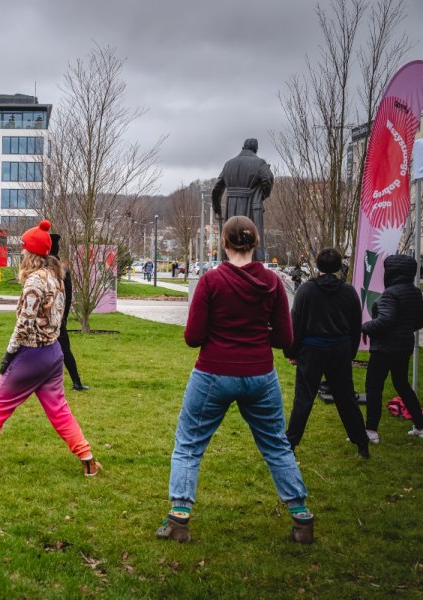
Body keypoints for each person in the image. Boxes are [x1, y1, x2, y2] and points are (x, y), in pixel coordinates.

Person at [156, 216, 313, 544]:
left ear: (223, 244)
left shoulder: (211, 282)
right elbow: (285, 337)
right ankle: (301, 518)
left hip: (213, 372)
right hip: (260, 375)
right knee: (276, 445)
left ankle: (179, 518)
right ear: (255, 243)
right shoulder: (271, 282)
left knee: (189, 443)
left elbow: (193, 336)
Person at [0, 220, 100, 478]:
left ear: (31, 253)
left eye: (23, 250)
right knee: (59, 411)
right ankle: (88, 460)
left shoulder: (34, 283)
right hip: (53, 354)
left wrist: (9, 353)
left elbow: (24, 323)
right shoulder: (56, 277)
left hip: (30, 354)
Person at [284, 248, 368, 457]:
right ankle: (362, 444)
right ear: (339, 267)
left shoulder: (306, 291)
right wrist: (349, 353)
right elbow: (355, 325)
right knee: (346, 398)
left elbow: (296, 323)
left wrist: (292, 351)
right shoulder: (348, 292)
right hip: (338, 350)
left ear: (318, 265)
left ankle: (290, 445)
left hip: (312, 351)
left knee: (303, 399)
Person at [361, 254, 423, 441]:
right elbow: (419, 320)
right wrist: (404, 329)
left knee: (373, 387)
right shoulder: (415, 292)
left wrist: (363, 327)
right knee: (402, 384)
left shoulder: (391, 293)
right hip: (404, 345)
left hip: (384, 348)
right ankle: (420, 426)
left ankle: (371, 430)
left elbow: (384, 321)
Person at [211, 138, 274, 261]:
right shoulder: (259, 163)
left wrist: (217, 209)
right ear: (256, 149)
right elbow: (268, 179)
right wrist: (262, 195)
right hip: (251, 206)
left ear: (243, 147)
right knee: (252, 239)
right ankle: (254, 266)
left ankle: (230, 263)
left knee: (232, 236)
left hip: (231, 207)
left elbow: (217, 189)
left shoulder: (229, 164)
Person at [49, 233, 88, 391]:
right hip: (59, 317)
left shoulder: (46, 268)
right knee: (64, 349)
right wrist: (63, 317)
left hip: (51, 317)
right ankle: (76, 382)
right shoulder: (62, 268)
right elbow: (68, 295)